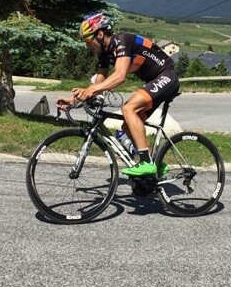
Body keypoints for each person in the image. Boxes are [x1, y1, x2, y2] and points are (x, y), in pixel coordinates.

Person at [56, 12, 180, 176]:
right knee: (127, 126)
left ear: (99, 34)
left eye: (87, 40)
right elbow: (99, 81)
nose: (87, 45)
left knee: (128, 109)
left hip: (167, 76)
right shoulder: (104, 52)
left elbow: (120, 76)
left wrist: (91, 90)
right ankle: (156, 164)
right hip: (154, 81)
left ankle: (146, 163)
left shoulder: (121, 41)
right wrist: (75, 100)